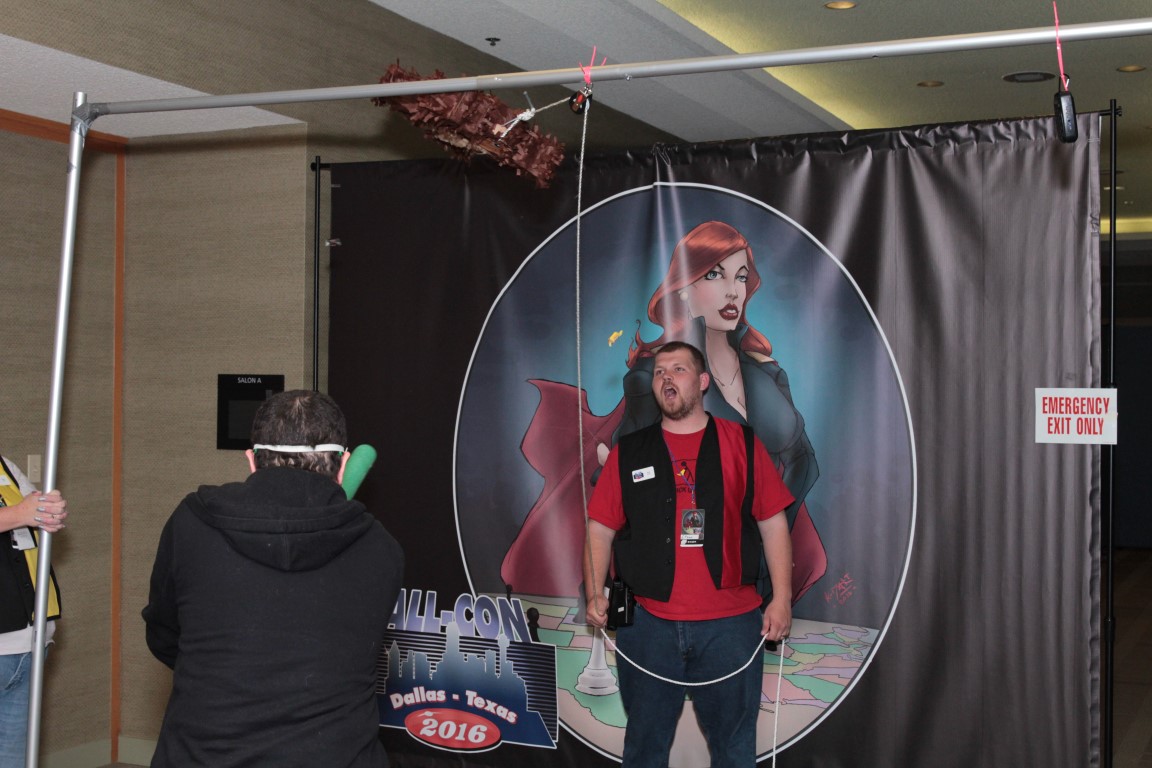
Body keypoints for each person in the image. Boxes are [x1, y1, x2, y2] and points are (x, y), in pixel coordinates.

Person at [142, 390, 404, 768]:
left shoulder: (190, 525)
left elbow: (164, 637)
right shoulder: (382, 548)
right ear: (343, 465)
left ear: (252, 460)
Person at [583, 341, 793, 768]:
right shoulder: (629, 452)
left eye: (678, 369)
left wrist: (783, 599)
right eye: (659, 372)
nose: (666, 378)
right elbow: (599, 529)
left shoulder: (743, 444)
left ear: (702, 382)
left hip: (732, 628)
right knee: (644, 749)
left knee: (735, 751)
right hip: (647, 626)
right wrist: (593, 593)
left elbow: (773, 524)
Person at [614, 220, 824, 602]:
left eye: (741, 277)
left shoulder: (766, 371)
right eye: (715, 274)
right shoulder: (654, 376)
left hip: (753, 577)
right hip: (678, 581)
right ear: (684, 287)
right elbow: (627, 472)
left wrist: (767, 531)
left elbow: (804, 461)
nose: (732, 291)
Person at [1, 455, 67, 768]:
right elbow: (21, 513)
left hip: (28, 644)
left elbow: (34, 510)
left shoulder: (4, 466)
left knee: (13, 759)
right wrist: (19, 514)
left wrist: (49, 513)